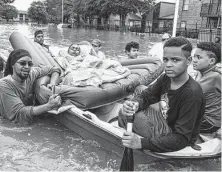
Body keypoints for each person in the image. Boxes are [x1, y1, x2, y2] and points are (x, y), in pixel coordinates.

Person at [118, 37, 205, 152]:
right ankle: (128, 131)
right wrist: (135, 105)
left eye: (175, 60)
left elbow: (181, 138)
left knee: (125, 115)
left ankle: (130, 137)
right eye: (165, 59)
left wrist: (141, 143)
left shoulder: (192, 93)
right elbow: (146, 96)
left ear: (188, 61)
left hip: (176, 136)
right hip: (166, 121)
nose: (168, 65)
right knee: (138, 93)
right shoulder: (166, 78)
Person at [0, 49, 62, 125]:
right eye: (22, 63)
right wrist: (48, 106)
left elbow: (54, 69)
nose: (27, 67)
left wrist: (52, 84)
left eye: (30, 64)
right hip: (10, 123)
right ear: (13, 64)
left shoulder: (31, 74)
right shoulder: (4, 84)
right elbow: (19, 113)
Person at [192, 42, 221, 134]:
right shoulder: (198, 73)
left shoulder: (216, 77)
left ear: (211, 61)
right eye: (194, 56)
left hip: (208, 121)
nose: (194, 60)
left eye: (199, 57)